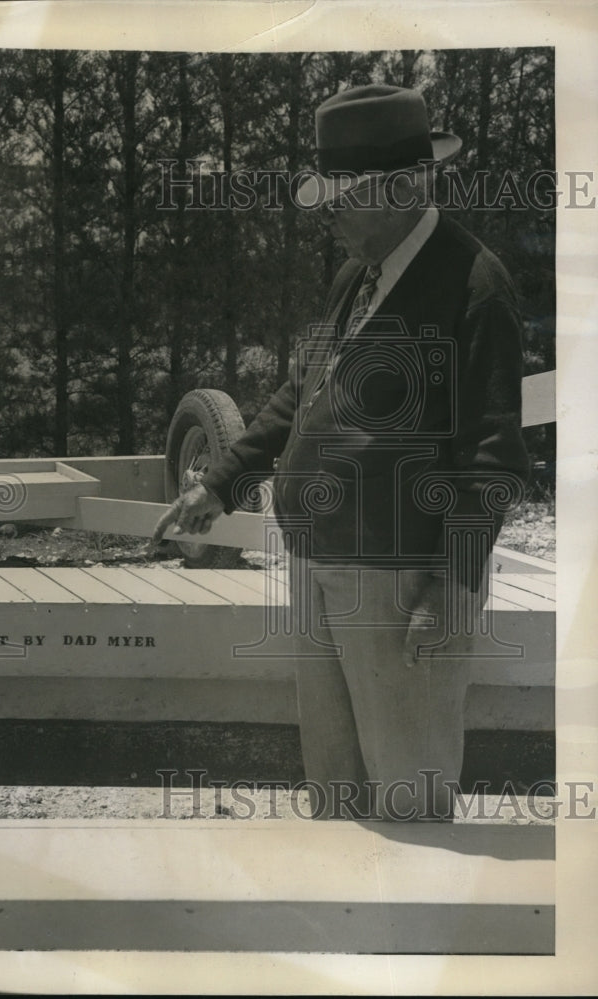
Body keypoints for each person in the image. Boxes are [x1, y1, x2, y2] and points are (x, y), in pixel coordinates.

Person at [153, 85, 530, 821]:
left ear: (400, 187)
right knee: (334, 798)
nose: (328, 212)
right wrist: (221, 483)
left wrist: (450, 589)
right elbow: (302, 396)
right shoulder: (356, 278)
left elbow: (493, 457)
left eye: (342, 196)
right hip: (317, 561)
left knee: (408, 804)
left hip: (402, 582)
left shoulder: (475, 285)